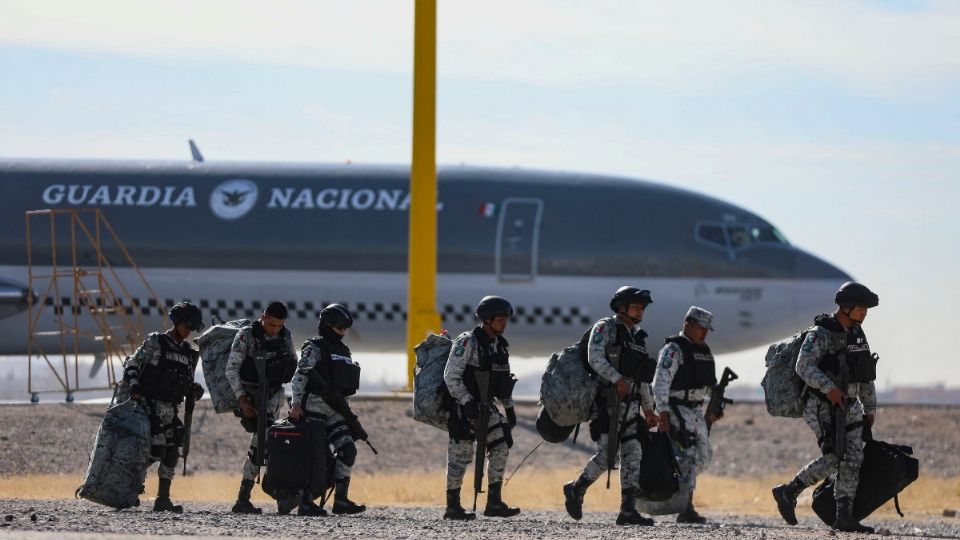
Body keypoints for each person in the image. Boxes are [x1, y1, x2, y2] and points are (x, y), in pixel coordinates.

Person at [772, 282, 880, 533]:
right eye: (861, 308)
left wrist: (870, 408)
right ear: (846, 307)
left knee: (852, 457)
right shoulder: (820, 333)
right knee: (835, 456)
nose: (865, 313)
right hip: (821, 406)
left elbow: (865, 374)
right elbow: (803, 366)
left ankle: (844, 516)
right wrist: (828, 388)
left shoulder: (857, 335)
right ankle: (789, 491)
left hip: (851, 404)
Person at [563, 286, 659, 526]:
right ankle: (576, 488)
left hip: (631, 407)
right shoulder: (605, 328)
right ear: (622, 307)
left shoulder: (637, 337)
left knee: (633, 455)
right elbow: (594, 357)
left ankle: (627, 511)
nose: (640, 311)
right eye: (636, 307)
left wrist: (648, 408)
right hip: (607, 403)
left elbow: (641, 378)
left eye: (642, 308)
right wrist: (617, 379)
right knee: (607, 455)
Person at [442, 296, 520, 521]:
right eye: (500, 319)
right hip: (463, 407)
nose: (504, 323)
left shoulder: (501, 346)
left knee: (501, 445)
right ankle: (453, 506)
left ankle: (494, 502)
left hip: (487, 407)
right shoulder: (467, 341)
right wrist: (467, 401)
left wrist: (510, 409)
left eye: (506, 319)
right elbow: (451, 376)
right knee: (460, 455)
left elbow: (503, 383)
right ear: (487, 320)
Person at [121, 301, 205, 513]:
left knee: (171, 451)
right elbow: (132, 363)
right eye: (186, 326)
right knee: (156, 448)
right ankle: (129, 486)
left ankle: (163, 499)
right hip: (148, 404)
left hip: (170, 408)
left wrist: (193, 389)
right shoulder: (156, 342)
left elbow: (183, 382)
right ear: (177, 323)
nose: (188, 332)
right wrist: (134, 386)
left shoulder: (187, 352)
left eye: (192, 328)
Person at [290, 304, 367, 516]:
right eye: (339, 326)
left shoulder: (343, 351)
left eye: (345, 328)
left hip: (336, 410)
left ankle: (341, 500)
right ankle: (306, 501)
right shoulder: (314, 347)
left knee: (348, 449)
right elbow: (300, 376)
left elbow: (343, 387)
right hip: (313, 405)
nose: (342, 331)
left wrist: (349, 415)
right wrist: (296, 404)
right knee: (315, 455)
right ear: (327, 325)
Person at [226, 301, 298, 514]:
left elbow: (293, 363)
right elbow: (232, 369)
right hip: (252, 397)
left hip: (274, 396)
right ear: (263, 316)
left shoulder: (285, 336)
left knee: (266, 443)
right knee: (262, 444)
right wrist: (242, 400)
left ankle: (248, 497)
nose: (274, 329)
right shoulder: (246, 335)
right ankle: (269, 493)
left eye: (279, 325)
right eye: (271, 324)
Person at [653, 306, 719, 524]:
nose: (705, 333)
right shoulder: (674, 349)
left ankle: (678, 493)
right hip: (677, 409)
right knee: (689, 456)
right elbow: (660, 381)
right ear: (688, 325)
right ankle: (686, 507)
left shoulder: (704, 351)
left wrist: (714, 409)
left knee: (704, 457)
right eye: (701, 328)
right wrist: (662, 411)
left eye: (707, 329)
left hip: (697, 411)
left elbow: (708, 384)